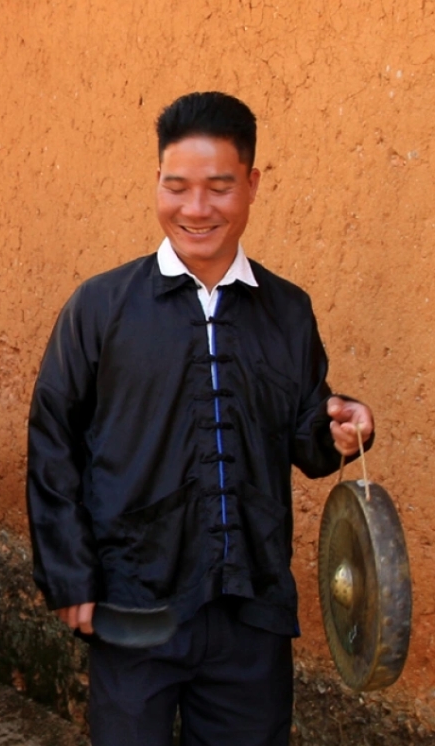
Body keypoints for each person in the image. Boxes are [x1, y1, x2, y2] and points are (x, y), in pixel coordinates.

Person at [26, 91, 375, 746]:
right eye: (176, 186)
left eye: (218, 187)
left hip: (252, 608)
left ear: (251, 183)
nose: (195, 209)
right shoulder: (101, 307)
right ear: (156, 183)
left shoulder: (288, 311)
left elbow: (305, 433)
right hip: (135, 603)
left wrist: (340, 425)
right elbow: (53, 441)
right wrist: (69, 573)